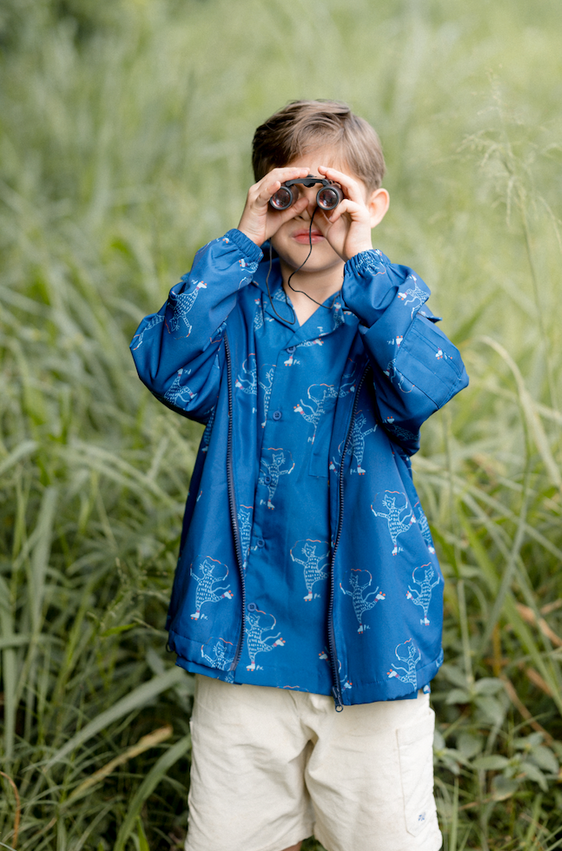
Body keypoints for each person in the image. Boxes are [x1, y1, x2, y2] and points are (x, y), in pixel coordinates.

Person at [130, 100, 469, 851]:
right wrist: (241, 241)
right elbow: (165, 362)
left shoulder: (385, 308)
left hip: (371, 644)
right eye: (289, 195)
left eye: (332, 195)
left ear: (372, 206)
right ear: (260, 198)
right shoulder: (235, 312)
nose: (310, 215)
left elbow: (432, 380)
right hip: (243, 641)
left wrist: (366, 266)